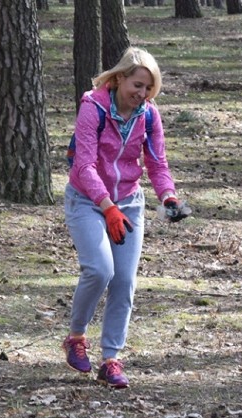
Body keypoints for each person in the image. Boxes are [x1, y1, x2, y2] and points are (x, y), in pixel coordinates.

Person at [62, 47, 190, 389]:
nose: (142, 94)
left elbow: (158, 164)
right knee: (99, 269)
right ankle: (76, 337)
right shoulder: (93, 108)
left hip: (129, 203)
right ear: (119, 78)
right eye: (137, 85)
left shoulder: (148, 116)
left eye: (148, 88)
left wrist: (169, 197)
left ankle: (111, 361)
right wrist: (107, 206)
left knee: (124, 282)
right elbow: (84, 165)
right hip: (87, 200)